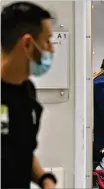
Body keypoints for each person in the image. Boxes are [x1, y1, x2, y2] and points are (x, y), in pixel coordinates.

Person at [1, 2, 57, 189]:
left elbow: (19, 149)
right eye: (47, 40)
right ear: (27, 43)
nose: (52, 49)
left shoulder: (27, 92)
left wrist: (44, 179)